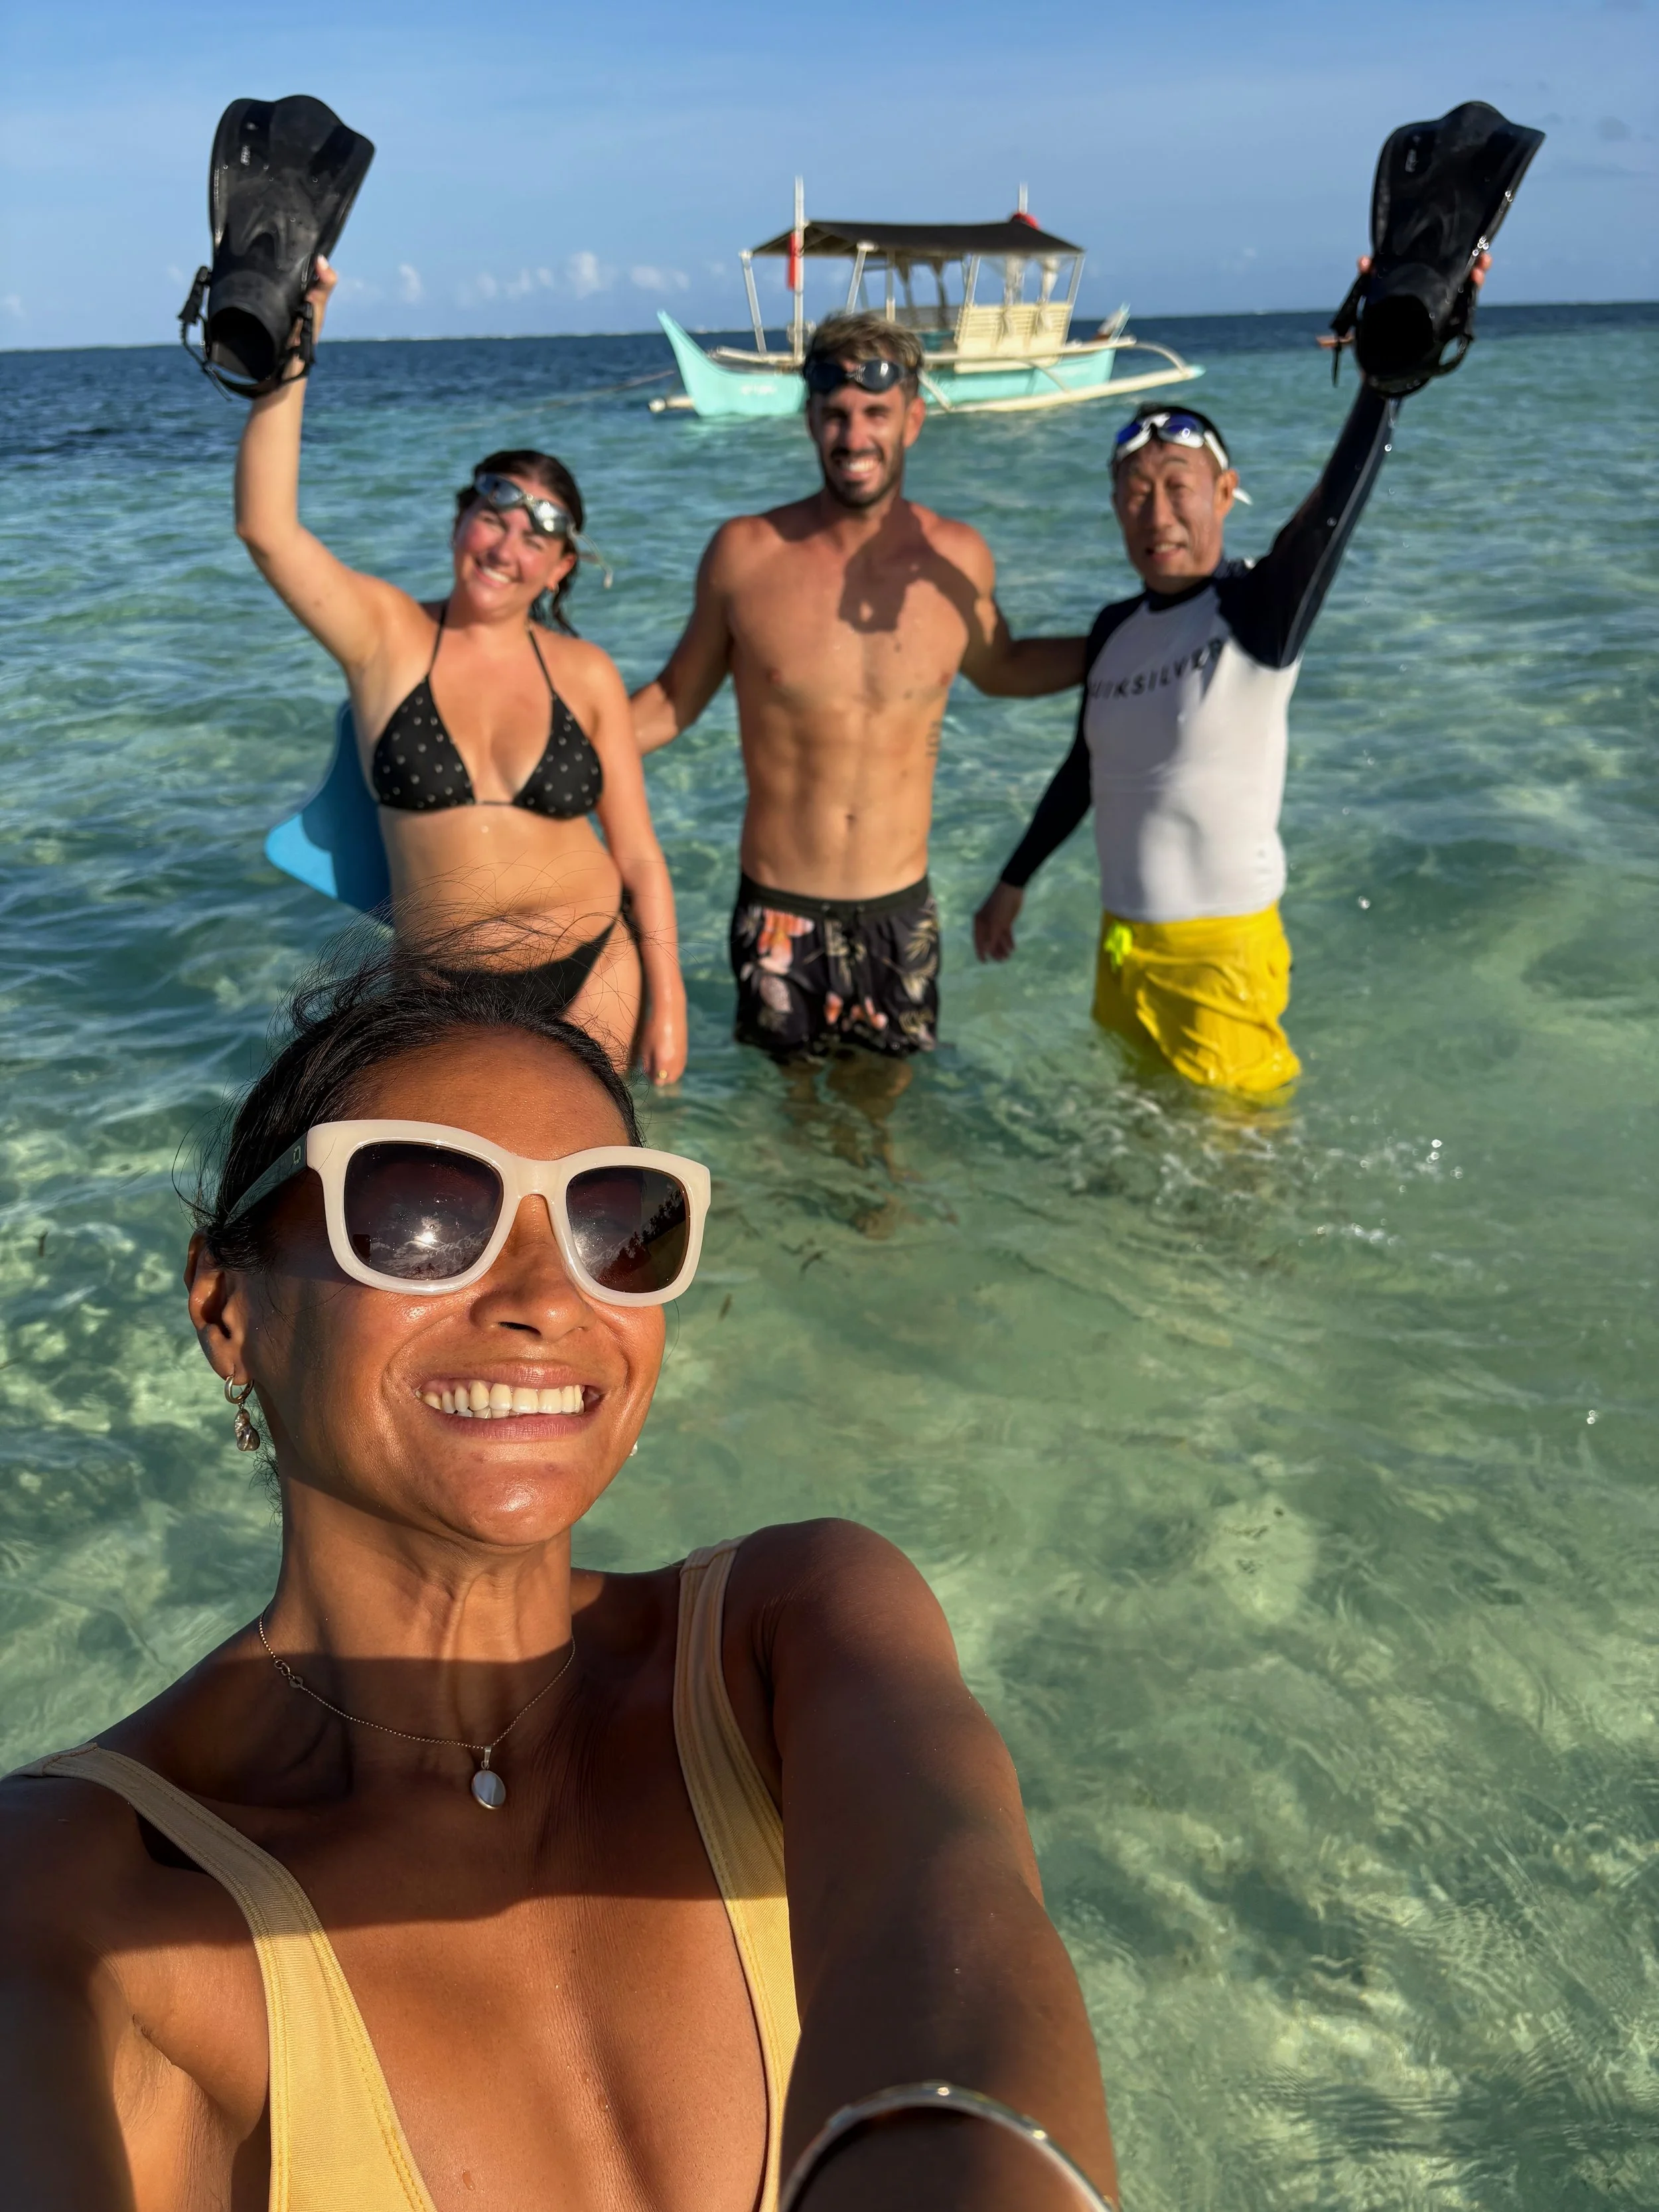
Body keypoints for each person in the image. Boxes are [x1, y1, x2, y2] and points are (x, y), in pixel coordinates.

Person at [0, 946, 1117, 2212]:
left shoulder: (790, 1641)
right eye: (419, 1213)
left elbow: (953, 1914)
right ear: (225, 1308)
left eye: (614, 1225)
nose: (546, 1297)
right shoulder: (86, 1890)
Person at [973, 255, 1493, 1096]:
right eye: (1134, 493)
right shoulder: (1114, 629)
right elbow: (1086, 772)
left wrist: (1386, 372)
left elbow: (1339, 503)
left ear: (1224, 492)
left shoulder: (1256, 608)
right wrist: (1012, 882)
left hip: (1221, 957)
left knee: (1238, 1184)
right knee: (1143, 1153)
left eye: (1178, 488)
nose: (1157, 514)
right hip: (1120, 946)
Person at [235, 258, 686, 1083]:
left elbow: (639, 854)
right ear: (460, 521)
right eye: (493, 514)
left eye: (536, 537)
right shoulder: (385, 637)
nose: (506, 548)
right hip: (438, 987)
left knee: (575, 1200)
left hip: (593, 967)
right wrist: (295, 346)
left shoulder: (583, 673)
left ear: (559, 570)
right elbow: (267, 529)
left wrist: (671, 1002)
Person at [630, 311, 1085, 1065]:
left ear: (913, 420)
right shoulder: (746, 555)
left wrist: (1123, 642)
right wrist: (544, 739)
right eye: (836, 415)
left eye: (876, 413)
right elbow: (671, 702)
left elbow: (1001, 668)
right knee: (791, 1139)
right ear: (809, 419)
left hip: (898, 912)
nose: (853, 436)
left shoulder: (959, 557)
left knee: (890, 1139)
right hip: (779, 910)